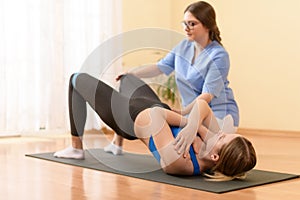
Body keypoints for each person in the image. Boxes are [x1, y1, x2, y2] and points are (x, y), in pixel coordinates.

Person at [54, 73, 256, 180]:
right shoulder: (210, 143)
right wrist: (197, 128)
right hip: (152, 103)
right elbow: (202, 105)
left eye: (222, 137)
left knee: (75, 79)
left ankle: (76, 148)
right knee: (126, 78)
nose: (219, 133)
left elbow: (155, 116)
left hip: (127, 115)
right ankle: (116, 144)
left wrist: (192, 125)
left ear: (215, 157)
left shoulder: (178, 161)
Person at [105, 1, 240, 155]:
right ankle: (117, 144)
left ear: (207, 25)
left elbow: (206, 97)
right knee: (128, 80)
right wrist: (133, 72)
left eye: (192, 24)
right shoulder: (183, 47)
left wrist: (182, 113)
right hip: (189, 115)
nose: (186, 28)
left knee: (171, 133)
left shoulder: (219, 56)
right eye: (185, 23)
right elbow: (159, 67)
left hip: (217, 118)